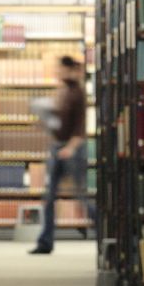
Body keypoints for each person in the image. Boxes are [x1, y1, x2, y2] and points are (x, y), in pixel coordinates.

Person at [29, 56, 93, 254]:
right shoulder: (62, 90)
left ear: (70, 70)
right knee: (50, 197)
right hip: (57, 148)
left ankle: (106, 230)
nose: (58, 73)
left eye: (61, 69)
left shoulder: (78, 93)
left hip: (72, 150)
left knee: (81, 195)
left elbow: (80, 127)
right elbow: (59, 120)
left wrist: (70, 148)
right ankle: (45, 242)